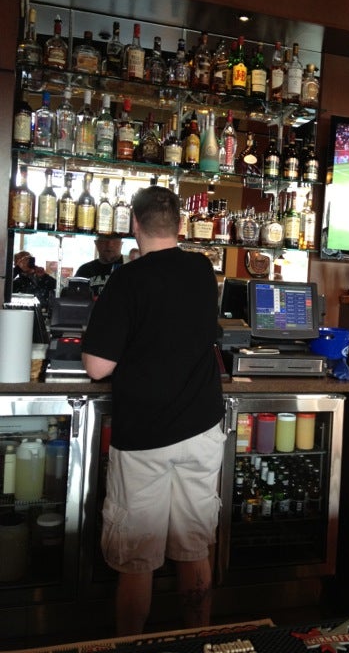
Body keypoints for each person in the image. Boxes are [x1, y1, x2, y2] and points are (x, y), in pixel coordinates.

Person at [81, 186, 225, 636]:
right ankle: (198, 638)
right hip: (202, 430)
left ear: (134, 225)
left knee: (137, 557)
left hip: (145, 436)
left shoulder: (128, 279)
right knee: (194, 547)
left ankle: (132, 644)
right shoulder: (202, 270)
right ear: (180, 226)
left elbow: (97, 367)